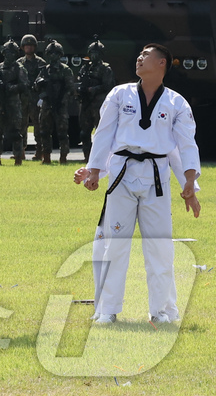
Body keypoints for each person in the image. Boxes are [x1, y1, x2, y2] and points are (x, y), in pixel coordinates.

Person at [76, 43, 201, 324]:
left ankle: (162, 311)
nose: (140, 58)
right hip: (122, 174)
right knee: (115, 244)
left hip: (156, 176)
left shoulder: (176, 103)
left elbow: (185, 144)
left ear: (162, 64)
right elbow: (104, 133)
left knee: (159, 246)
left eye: (146, 56)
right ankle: (107, 310)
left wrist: (190, 182)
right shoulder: (120, 95)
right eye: (139, 55)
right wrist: (95, 170)